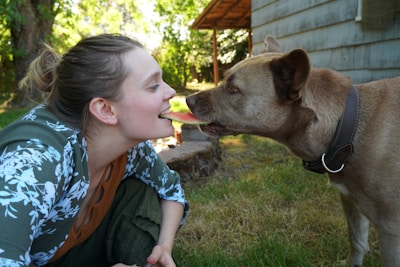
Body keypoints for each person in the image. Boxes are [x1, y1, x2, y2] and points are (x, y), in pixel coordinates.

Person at [0, 33, 189, 267]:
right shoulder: (35, 164)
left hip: (62, 253)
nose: (170, 91)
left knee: (142, 189)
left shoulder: (132, 149)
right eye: (153, 86)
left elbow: (171, 190)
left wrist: (164, 246)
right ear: (105, 109)